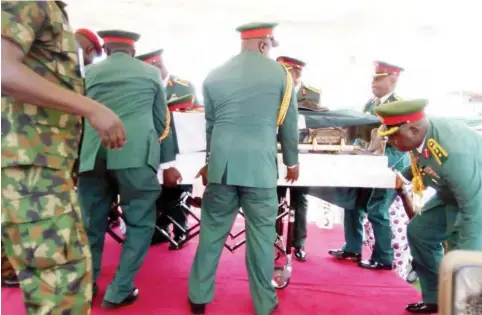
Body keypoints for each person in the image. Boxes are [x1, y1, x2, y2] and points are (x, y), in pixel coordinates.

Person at [1, 2, 126, 314]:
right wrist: (91, 107)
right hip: (30, 167)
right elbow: (3, 69)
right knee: (61, 290)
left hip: (35, 164)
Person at [188, 22, 299, 315]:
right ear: (264, 43)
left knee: (211, 233)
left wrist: (210, 163)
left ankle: (199, 297)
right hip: (260, 169)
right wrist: (292, 162)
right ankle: (264, 303)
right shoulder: (281, 74)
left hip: (222, 167)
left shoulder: (214, 75)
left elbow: (211, 126)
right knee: (262, 238)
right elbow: (288, 123)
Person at [76, 30, 180, 309]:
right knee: (139, 223)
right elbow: (162, 121)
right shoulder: (150, 75)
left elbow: (76, 115)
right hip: (135, 156)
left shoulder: (89, 73)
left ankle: (87, 286)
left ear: (106, 50)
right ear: (133, 51)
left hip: (93, 157)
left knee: (90, 224)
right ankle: (119, 289)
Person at [376, 98, 482, 314]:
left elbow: (473, 209)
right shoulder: (423, 135)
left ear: (413, 130)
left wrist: (468, 256)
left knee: (464, 252)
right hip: (452, 194)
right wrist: (399, 178)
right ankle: (436, 298)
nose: (391, 142)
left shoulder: (453, 153)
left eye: (394, 136)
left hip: (475, 198)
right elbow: (422, 163)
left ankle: (467, 307)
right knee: (420, 231)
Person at [329, 61, 409, 271]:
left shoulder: (400, 106)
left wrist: (381, 167)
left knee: (377, 209)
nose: (373, 82)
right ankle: (353, 247)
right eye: (373, 77)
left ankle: (383, 257)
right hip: (368, 164)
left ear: (394, 79)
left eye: (378, 77)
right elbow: (362, 136)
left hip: (390, 166)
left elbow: (402, 145)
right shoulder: (370, 103)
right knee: (352, 203)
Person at [137, 49, 202, 249]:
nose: (158, 69)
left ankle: (180, 229)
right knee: (156, 192)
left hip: (179, 148)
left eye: (159, 65)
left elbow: (196, 116)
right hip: (151, 146)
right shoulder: (141, 87)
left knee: (177, 191)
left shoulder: (183, 87)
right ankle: (160, 230)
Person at [276, 56, 323, 261]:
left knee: (300, 199)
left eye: (286, 72)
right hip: (276, 151)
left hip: (302, 153)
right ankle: (274, 238)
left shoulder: (311, 94)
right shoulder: (273, 89)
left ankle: (299, 243)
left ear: (296, 74)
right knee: (275, 197)